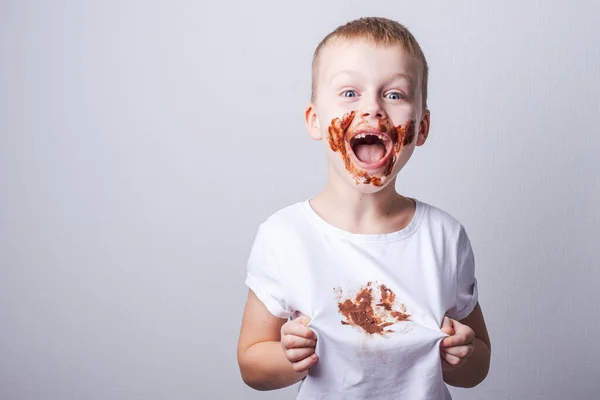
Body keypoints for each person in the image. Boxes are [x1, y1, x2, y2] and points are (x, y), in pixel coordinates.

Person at [237, 16, 491, 399]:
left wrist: (463, 354)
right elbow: (251, 363)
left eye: (394, 95)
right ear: (315, 119)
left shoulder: (444, 237)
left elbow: (477, 367)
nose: (373, 108)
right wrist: (288, 357)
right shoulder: (284, 236)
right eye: (350, 93)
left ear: (421, 127)